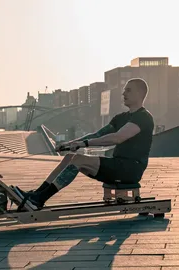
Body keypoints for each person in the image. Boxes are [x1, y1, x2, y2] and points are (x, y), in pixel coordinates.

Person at [12, 78, 154, 210]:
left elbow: (117, 138)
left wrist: (84, 144)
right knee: (69, 157)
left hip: (131, 169)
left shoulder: (143, 117)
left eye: (128, 90)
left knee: (79, 160)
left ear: (140, 93)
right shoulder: (120, 118)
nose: (123, 93)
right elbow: (98, 135)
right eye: (124, 90)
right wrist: (71, 144)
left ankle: (39, 199)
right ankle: (36, 195)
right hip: (116, 165)